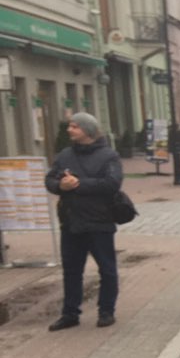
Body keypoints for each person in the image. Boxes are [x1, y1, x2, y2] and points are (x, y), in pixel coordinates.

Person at [45, 112, 123, 331]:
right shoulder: (64, 155)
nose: (69, 130)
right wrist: (60, 186)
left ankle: (106, 311)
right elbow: (50, 179)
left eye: (74, 126)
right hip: (71, 222)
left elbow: (112, 183)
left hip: (99, 221)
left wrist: (79, 184)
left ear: (87, 131)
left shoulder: (109, 156)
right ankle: (70, 313)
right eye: (70, 126)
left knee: (107, 269)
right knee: (71, 270)